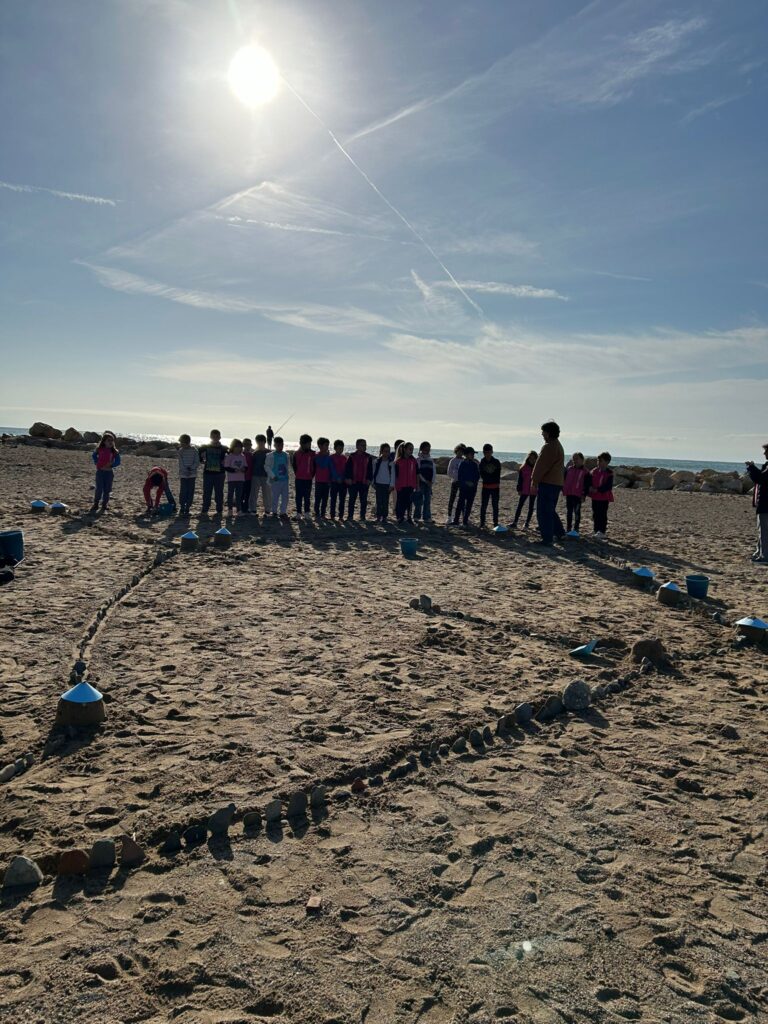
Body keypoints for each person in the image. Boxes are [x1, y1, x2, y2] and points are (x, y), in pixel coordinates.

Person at [530, 421, 565, 546]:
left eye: (543, 432)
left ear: (548, 433)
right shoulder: (558, 445)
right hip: (556, 483)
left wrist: (534, 480)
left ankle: (547, 538)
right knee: (550, 510)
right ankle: (560, 533)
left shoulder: (549, 446)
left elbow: (541, 466)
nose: (542, 434)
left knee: (543, 511)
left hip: (548, 483)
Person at [746, 442, 768, 562]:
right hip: (764, 503)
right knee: (762, 530)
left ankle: (764, 556)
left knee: (764, 531)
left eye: (766, 451)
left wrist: (751, 468)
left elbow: (760, 479)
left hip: (766, 504)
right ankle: (759, 553)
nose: (764, 453)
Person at [90, 432, 121, 512]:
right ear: (104, 441)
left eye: (112, 440)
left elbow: (118, 461)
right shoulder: (99, 449)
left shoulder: (114, 451)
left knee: (107, 489)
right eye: (108, 440)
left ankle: (104, 504)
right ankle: (96, 503)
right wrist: (96, 462)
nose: (110, 442)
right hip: (100, 472)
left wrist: (112, 465)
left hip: (109, 473)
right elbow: (94, 455)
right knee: (99, 488)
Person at [200, 429, 227, 516]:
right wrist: (201, 459)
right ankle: (205, 508)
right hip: (208, 473)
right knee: (207, 492)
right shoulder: (205, 447)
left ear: (220, 437)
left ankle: (219, 508)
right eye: (213, 436)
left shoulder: (224, 448)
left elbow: (230, 457)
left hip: (220, 474)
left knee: (219, 492)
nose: (215, 438)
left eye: (217, 436)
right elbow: (198, 454)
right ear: (210, 437)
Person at [345, 439, 373, 520]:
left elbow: (370, 470)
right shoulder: (352, 456)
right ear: (357, 446)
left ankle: (362, 516)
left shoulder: (368, 457)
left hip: (364, 482)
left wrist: (369, 479)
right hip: (353, 482)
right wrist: (348, 478)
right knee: (352, 500)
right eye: (362, 445)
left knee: (363, 500)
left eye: (365, 445)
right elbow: (347, 468)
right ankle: (350, 516)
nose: (364, 447)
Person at [588, 452, 614, 539]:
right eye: (598, 460)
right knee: (595, 514)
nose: (598, 462)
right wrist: (590, 487)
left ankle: (602, 531)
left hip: (604, 497)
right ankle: (596, 530)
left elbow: (608, 486)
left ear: (607, 462)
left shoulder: (609, 473)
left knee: (602, 514)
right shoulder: (594, 471)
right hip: (595, 497)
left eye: (601, 461)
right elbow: (589, 480)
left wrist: (598, 489)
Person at [563, 452, 589, 534]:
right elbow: (564, 480)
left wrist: (584, 495)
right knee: (569, 512)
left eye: (577, 459)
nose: (575, 460)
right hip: (569, 494)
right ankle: (568, 528)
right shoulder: (569, 469)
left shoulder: (585, 471)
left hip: (578, 495)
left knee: (577, 512)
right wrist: (563, 489)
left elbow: (586, 484)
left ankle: (576, 528)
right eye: (573, 459)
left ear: (582, 460)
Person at [454, 446, 480, 526]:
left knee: (469, 505)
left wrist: (473, 483)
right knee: (460, 504)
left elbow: (477, 476)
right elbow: (460, 476)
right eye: (471, 454)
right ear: (466, 455)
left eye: (473, 454)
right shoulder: (462, 464)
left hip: (472, 488)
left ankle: (465, 521)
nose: (473, 455)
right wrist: (466, 482)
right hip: (463, 488)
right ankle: (456, 520)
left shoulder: (474, 464)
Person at [394, 442, 419, 524]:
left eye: (412, 449)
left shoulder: (414, 461)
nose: (411, 451)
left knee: (409, 501)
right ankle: (400, 517)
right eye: (410, 449)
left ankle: (409, 517)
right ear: (404, 449)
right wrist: (396, 484)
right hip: (401, 485)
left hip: (411, 485)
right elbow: (396, 475)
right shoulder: (398, 461)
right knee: (400, 501)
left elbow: (417, 473)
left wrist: (417, 484)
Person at [511, 451, 537, 530]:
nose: (532, 460)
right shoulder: (524, 468)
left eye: (534, 458)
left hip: (533, 490)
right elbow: (520, 480)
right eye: (530, 458)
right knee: (520, 505)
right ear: (528, 458)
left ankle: (527, 524)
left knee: (531, 507)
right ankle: (515, 522)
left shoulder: (537, 468)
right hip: (524, 489)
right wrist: (519, 489)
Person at [266, 436, 290, 518]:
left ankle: (283, 512)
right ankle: (274, 511)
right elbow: (266, 467)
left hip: (285, 479)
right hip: (275, 480)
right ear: (275, 445)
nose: (280, 447)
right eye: (278, 445)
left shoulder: (286, 455)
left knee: (285, 497)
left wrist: (287, 475)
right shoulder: (270, 455)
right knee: (275, 496)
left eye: (281, 445)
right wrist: (272, 476)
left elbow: (287, 466)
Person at [292, 434, 315, 516]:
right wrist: (298, 474)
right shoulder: (296, 454)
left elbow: (314, 466)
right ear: (302, 443)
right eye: (308, 443)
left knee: (307, 496)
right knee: (298, 496)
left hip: (308, 479)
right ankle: (298, 512)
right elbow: (294, 466)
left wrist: (311, 475)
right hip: (299, 478)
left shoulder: (312, 454)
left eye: (310, 443)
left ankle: (307, 512)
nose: (309, 445)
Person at [412, 442, 436, 523]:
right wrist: (424, 481)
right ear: (421, 449)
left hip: (429, 483)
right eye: (425, 449)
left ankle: (427, 517)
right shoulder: (418, 460)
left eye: (428, 449)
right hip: (421, 482)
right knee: (419, 500)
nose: (427, 451)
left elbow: (434, 472)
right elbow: (418, 472)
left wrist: (432, 481)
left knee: (427, 500)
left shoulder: (431, 460)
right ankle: (416, 516)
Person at [479, 444, 501, 528]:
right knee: (484, 505)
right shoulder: (482, 462)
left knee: (495, 506)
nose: (487, 454)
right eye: (486, 452)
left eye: (489, 452)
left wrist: (491, 479)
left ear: (492, 452)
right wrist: (488, 479)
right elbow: (482, 474)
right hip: (486, 487)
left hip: (495, 487)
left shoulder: (496, 462)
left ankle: (495, 522)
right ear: (483, 453)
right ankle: (482, 522)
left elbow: (497, 475)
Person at [372, 443, 395, 522]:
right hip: (378, 484)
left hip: (387, 485)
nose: (387, 453)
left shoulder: (391, 463)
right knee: (378, 501)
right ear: (381, 451)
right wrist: (373, 483)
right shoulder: (376, 461)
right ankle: (378, 516)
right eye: (385, 451)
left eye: (388, 451)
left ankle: (384, 516)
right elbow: (373, 472)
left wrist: (391, 485)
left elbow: (393, 475)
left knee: (385, 501)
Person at [224, 439, 248, 514]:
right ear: (233, 447)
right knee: (230, 494)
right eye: (236, 447)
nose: (238, 448)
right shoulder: (229, 456)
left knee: (239, 495)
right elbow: (226, 467)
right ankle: (230, 509)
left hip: (240, 479)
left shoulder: (242, 456)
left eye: (240, 447)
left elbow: (246, 466)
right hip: (231, 479)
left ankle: (238, 509)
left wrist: (244, 469)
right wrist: (234, 470)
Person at [249, 434, 271, 515]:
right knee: (254, 493)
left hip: (266, 476)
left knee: (267, 494)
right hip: (255, 475)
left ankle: (267, 510)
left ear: (265, 442)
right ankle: (253, 509)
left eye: (261, 442)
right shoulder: (255, 453)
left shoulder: (269, 453)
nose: (260, 443)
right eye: (258, 442)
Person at [177, 434, 198, 517]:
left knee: (190, 491)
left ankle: (188, 507)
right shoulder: (180, 451)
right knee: (183, 491)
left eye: (182, 443)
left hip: (192, 474)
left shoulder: (194, 450)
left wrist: (191, 469)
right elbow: (180, 463)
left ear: (187, 442)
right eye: (181, 443)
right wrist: (186, 470)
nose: (181, 444)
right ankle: (182, 506)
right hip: (183, 474)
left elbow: (196, 461)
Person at [446, 444, 466, 524]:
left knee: (462, 500)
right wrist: (455, 477)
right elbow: (449, 472)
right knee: (452, 499)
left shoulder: (464, 460)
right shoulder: (453, 460)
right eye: (459, 451)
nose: (460, 453)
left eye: (461, 452)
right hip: (454, 482)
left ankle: (464, 516)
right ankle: (449, 516)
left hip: (463, 483)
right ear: (456, 451)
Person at [314, 438, 333, 518]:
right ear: (320, 446)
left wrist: (331, 479)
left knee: (325, 499)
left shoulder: (329, 457)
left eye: (328, 445)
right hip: (319, 481)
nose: (327, 447)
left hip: (327, 481)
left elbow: (331, 468)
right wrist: (326, 456)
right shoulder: (316, 456)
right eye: (326, 445)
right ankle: (317, 513)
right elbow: (322, 465)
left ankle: (323, 514)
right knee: (318, 498)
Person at [330, 440, 348, 520]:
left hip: (343, 482)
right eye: (339, 448)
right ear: (335, 448)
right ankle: (332, 515)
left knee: (342, 500)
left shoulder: (344, 458)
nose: (340, 450)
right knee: (333, 499)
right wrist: (336, 478)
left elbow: (346, 470)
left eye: (342, 448)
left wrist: (343, 478)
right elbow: (331, 469)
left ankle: (341, 516)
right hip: (334, 482)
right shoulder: (331, 457)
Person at [241, 438, 254, 513]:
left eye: (249, 444)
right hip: (241, 478)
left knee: (248, 494)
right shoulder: (240, 454)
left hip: (249, 478)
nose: (248, 446)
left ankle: (246, 507)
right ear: (243, 445)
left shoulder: (252, 455)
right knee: (241, 494)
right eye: (246, 444)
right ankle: (241, 507)